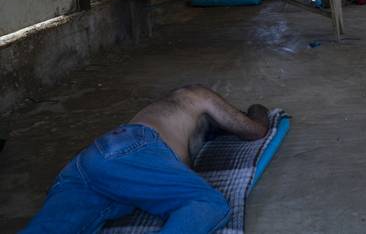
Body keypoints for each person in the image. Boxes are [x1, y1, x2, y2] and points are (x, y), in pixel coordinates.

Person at [23, 85, 270, 233]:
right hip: (131, 148)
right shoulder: (193, 95)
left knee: (53, 227)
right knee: (207, 204)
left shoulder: (164, 116)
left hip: (89, 163)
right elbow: (254, 130)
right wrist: (259, 108)